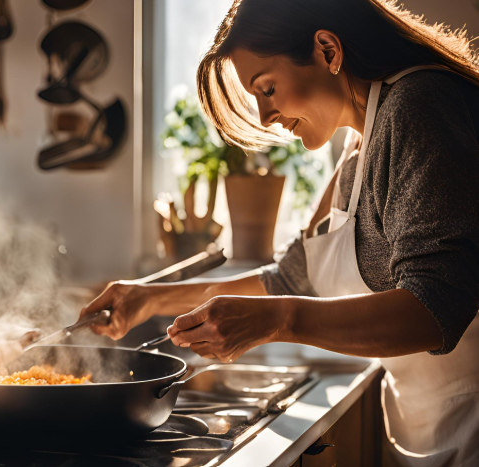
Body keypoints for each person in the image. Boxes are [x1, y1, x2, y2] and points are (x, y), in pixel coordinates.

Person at [78, 0, 479, 465]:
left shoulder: (418, 104)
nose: (265, 116)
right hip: (424, 431)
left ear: (328, 50)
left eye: (266, 88)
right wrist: (149, 297)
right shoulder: (358, 146)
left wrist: (278, 320)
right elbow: (288, 278)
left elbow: (435, 308)